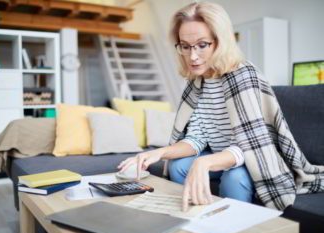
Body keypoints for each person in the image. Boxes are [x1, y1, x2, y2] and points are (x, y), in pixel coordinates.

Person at [118, 1, 324, 212]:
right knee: (178, 166)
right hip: (222, 155)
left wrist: (204, 163)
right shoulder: (196, 83)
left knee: (234, 178)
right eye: (185, 46)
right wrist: (159, 153)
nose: (193, 56)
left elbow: (251, 145)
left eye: (202, 45)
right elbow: (197, 138)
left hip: (253, 159)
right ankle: (187, 217)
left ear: (220, 42)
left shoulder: (243, 75)